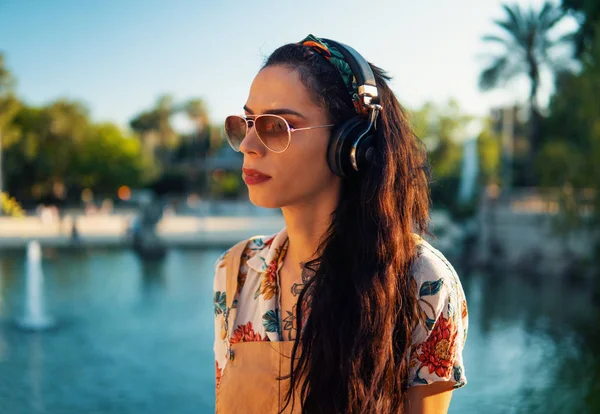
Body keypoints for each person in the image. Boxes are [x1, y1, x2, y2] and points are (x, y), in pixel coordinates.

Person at [213, 34, 468, 414]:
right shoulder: (235, 272)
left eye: (275, 126)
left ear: (350, 145)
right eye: (247, 122)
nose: (249, 143)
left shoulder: (421, 282)